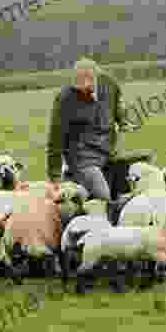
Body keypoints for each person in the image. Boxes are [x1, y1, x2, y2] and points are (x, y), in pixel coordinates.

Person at [45, 57, 134, 219]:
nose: (84, 92)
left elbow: (118, 105)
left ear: (97, 79)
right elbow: (55, 138)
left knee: (131, 180)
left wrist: (122, 121)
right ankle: (106, 228)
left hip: (107, 148)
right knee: (103, 194)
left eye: (88, 88)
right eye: (80, 89)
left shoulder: (109, 84)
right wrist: (54, 175)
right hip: (81, 156)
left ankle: (123, 216)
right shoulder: (65, 99)